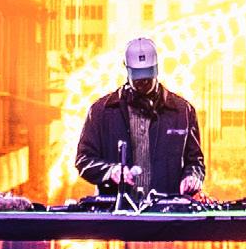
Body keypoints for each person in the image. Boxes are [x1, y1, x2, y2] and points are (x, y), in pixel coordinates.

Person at [73, 37, 207, 201]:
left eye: (147, 80)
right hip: (117, 210)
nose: (142, 84)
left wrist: (192, 176)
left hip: (166, 210)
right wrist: (110, 171)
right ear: (127, 70)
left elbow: (195, 162)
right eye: (137, 80)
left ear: (156, 70)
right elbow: (84, 159)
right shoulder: (101, 112)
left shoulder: (183, 112)